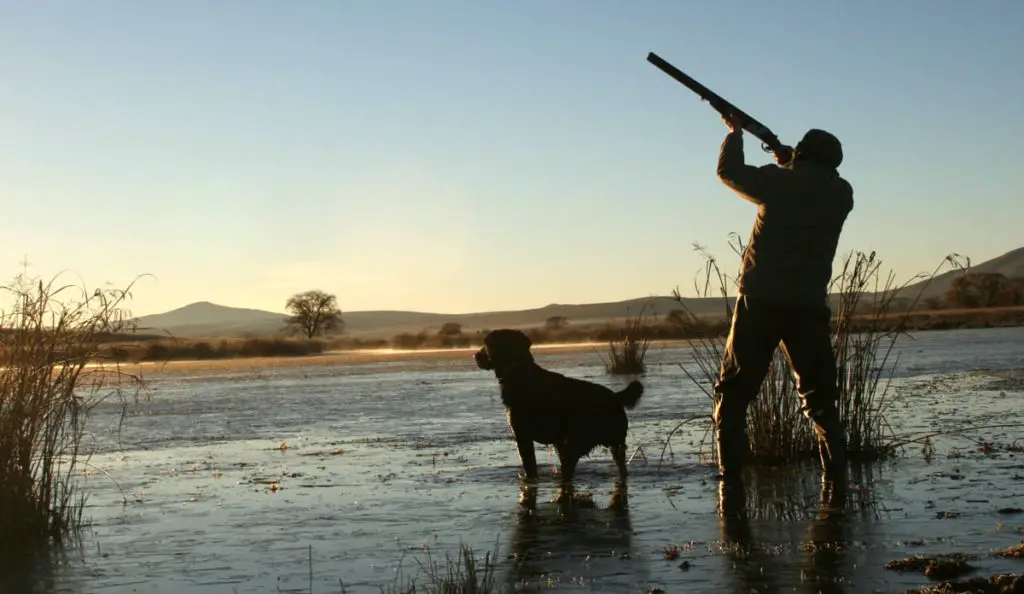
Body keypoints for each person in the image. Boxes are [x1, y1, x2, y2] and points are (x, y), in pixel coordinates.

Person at [712, 113, 854, 483]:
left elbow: (728, 172)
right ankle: (836, 482)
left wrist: (735, 133)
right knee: (820, 398)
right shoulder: (842, 194)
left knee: (734, 393)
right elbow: (810, 181)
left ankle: (730, 483)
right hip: (808, 305)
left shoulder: (777, 181)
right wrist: (790, 160)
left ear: (802, 154)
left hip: (760, 301)